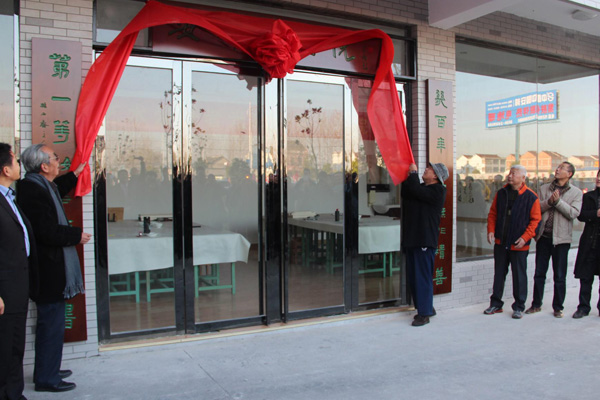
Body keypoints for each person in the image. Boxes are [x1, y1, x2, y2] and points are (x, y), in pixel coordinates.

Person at [16, 144, 92, 393]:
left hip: (51, 268)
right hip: (47, 270)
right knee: (51, 324)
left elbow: (58, 187)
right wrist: (75, 235)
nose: (59, 161)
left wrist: (76, 173)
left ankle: (48, 369)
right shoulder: (32, 191)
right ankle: (47, 378)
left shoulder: (41, 185)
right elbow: (45, 231)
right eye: (55, 158)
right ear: (44, 166)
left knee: (53, 323)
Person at [0, 143, 36, 400]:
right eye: (15, 161)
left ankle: (14, 393)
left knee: (14, 344)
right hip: (4, 290)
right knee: (4, 346)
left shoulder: (9, 198)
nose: (19, 166)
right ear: (5, 169)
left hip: (17, 286)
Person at [484, 165, 541, 319]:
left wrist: (525, 237)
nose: (510, 176)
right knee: (499, 274)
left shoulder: (531, 197)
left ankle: (519, 306)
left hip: (519, 244)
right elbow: (493, 214)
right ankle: (496, 304)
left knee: (519, 276)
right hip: (501, 242)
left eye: (514, 174)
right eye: (509, 173)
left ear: (523, 178)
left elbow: (535, 221)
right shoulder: (501, 193)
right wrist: (491, 230)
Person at [526, 162, 582, 318]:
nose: (557, 170)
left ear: (569, 174)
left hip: (561, 240)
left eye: (562, 168)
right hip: (543, 237)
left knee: (559, 276)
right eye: (558, 167)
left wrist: (558, 202)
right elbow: (536, 208)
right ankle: (536, 304)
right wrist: (549, 202)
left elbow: (573, 213)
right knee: (539, 273)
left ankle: (558, 307)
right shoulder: (544, 188)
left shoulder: (576, 193)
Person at [402, 162, 448, 327]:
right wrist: (408, 176)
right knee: (414, 277)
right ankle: (426, 307)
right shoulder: (421, 188)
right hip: (413, 238)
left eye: (429, 169)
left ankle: (424, 314)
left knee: (422, 277)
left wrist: (413, 174)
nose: (426, 169)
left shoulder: (438, 190)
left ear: (435, 176)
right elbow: (407, 191)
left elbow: (415, 190)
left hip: (424, 239)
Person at [572, 169, 600, 319]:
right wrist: (596, 214)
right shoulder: (588, 196)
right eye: (598, 176)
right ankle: (583, 307)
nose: (599, 179)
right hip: (590, 243)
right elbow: (581, 215)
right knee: (586, 277)